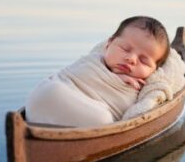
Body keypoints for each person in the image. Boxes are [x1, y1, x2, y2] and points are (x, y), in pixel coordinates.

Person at [25, 16, 172, 127]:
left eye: (143, 61)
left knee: (102, 120)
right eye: (125, 49)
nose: (131, 59)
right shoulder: (94, 60)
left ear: (154, 71)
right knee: (52, 87)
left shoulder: (142, 89)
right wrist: (115, 76)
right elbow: (70, 76)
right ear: (108, 44)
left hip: (89, 117)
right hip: (51, 96)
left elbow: (131, 111)